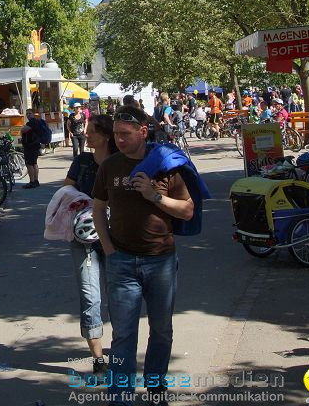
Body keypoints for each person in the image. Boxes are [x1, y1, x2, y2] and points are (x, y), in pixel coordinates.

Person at [92, 106, 194, 401]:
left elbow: (187, 210)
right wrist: (108, 247)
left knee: (161, 330)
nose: (120, 140)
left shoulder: (164, 164)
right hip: (121, 260)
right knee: (123, 334)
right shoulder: (109, 167)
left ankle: (155, 386)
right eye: (116, 134)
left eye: (125, 134)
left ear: (143, 132)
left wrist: (154, 195)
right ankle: (120, 395)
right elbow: (98, 207)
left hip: (160, 259)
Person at [62, 114, 116, 375]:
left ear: (106, 135)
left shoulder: (119, 163)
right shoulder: (82, 161)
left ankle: (121, 349)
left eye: (92, 130)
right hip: (84, 240)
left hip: (118, 238)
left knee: (118, 296)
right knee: (90, 296)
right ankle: (98, 358)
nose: (87, 133)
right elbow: (65, 192)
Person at [20, 110, 44, 188]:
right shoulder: (36, 122)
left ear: (33, 114)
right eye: (27, 114)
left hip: (30, 146)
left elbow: (23, 130)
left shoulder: (32, 122)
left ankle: (32, 182)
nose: (28, 115)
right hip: (35, 145)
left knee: (29, 164)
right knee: (34, 163)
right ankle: (36, 181)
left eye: (30, 113)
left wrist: (22, 129)